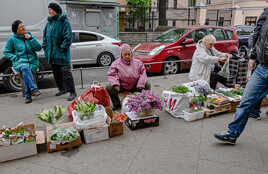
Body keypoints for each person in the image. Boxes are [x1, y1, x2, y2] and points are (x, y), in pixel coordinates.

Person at [214, 6, 268, 145]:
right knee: (245, 100)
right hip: (262, 67)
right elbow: (257, 35)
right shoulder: (266, 13)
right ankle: (232, 134)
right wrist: (253, 56)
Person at [42, 2, 76, 101]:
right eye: (49, 10)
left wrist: (62, 48)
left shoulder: (63, 21)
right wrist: (45, 48)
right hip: (51, 54)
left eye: (51, 9)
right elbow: (45, 38)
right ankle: (62, 89)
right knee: (56, 74)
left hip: (61, 54)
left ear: (56, 10)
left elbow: (68, 37)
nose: (49, 11)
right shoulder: (49, 23)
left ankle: (72, 92)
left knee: (66, 74)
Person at [4, 20, 41, 104]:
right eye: (21, 27)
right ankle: (33, 88)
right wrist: (15, 57)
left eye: (24, 26)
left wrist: (31, 39)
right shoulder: (12, 39)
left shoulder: (29, 35)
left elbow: (38, 48)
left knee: (26, 71)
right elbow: (6, 52)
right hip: (20, 62)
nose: (23, 28)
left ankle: (28, 96)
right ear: (16, 30)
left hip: (32, 61)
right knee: (24, 68)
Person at [106, 44, 151, 110]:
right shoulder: (116, 63)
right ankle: (117, 105)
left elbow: (143, 73)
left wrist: (140, 83)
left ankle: (145, 103)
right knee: (109, 87)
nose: (127, 56)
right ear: (121, 55)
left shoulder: (138, 62)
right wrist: (115, 84)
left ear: (131, 54)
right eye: (125, 55)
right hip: (121, 86)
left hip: (135, 85)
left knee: (147, 84)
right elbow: (112, 74)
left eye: (129, 54)